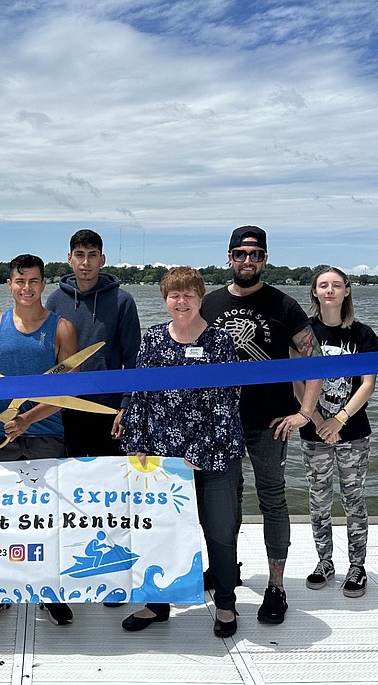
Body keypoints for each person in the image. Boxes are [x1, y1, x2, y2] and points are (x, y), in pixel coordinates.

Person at [200, 225, 322, 625]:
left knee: (273, 499)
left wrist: (304, 413)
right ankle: (225, 571)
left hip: (271, 422)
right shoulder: (210, 303)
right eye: (240, 254)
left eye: (255, 255)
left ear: (265, 259)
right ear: (229, 258)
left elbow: (314, 359)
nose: (247, 261)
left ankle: (276, 585)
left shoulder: (284, 305)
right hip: (221, 422)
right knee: (224, 504)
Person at [119, 267, 245, 639]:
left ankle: (225, 602)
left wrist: (200, 448)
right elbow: (140, 393)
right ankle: (158, 603)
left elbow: (227, 399)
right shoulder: (153, 338)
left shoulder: (221, 342)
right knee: (162, 531)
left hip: (215, 453)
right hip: (164, 459)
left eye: (189, 294)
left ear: (201, 298)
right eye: (175, 295)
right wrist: (138, 443)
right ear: (165, 299)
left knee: (219, 531)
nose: (182, 301)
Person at [0, 253, 79, 627]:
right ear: (9, 284)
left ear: (43, 284)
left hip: (47, 434)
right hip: (0, 436)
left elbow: (69, 389)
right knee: (2, 520)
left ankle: (50, 593)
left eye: (33, 281)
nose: (26, 288)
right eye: (19, 280)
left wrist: (27, 419)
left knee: (48, 519)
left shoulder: (62, 328)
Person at [296, 267, 378, 599]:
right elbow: (298, 383)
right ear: (315, 292)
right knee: (318, 501)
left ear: (347, 290)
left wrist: (339, 420)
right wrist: (317, 419)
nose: (329, 290)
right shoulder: (304, 335)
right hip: (313, 431)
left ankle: (357, 566)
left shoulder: (362, 334)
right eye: (323, 285)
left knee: (353, 499)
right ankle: (324, 562)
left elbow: (369, 384)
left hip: (353, 431)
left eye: (336, 285)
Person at [46, 229, 140, 457]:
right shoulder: (55, 300)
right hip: (65, 407)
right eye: (79, 254)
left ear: (102, 259)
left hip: (108, 408)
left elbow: (134, 359)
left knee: (110, 487)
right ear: (69, 259)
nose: (85, 262)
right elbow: (48, 357)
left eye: (92, 255)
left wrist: (126, 406)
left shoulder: (122, 301)